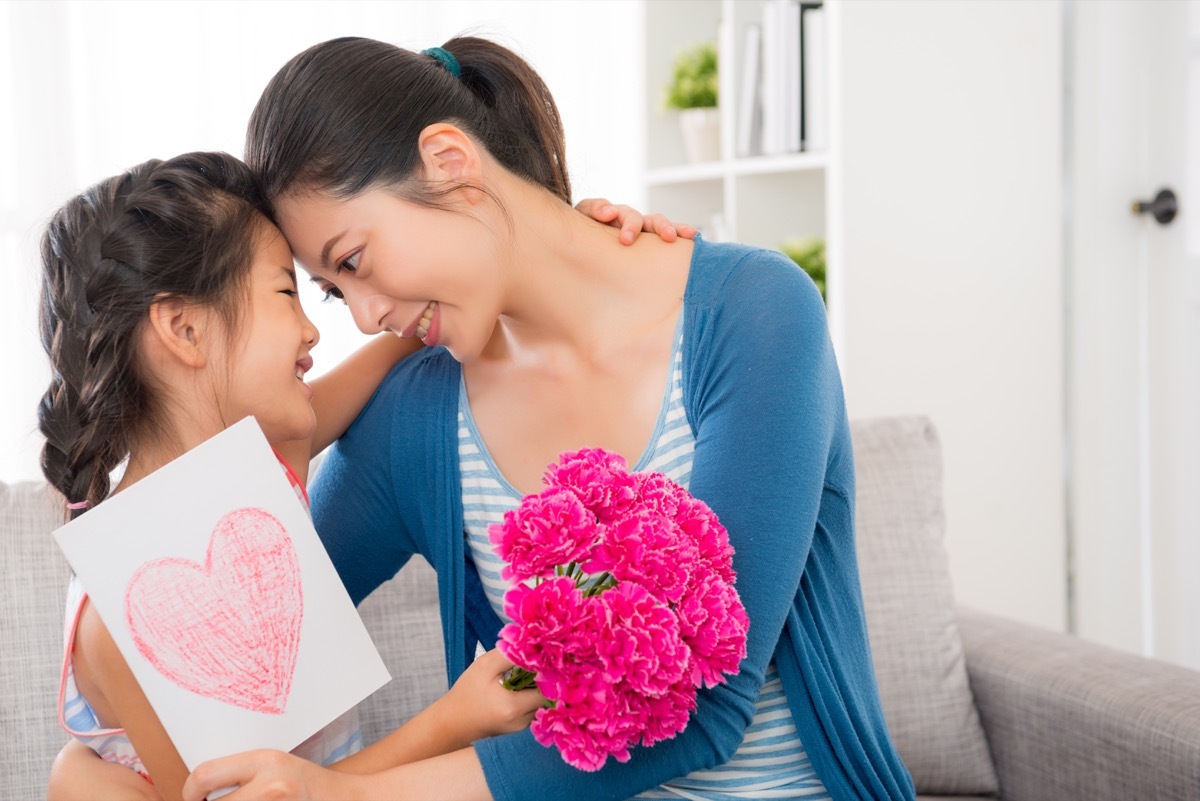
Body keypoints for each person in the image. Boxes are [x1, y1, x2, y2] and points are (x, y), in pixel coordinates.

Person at [178, 36, 916, 801]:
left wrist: (352, 793)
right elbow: (230, 635)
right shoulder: (418, 415)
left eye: (355, 261)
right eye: (332, 291)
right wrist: (89, 759)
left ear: (448, 161)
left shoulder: (755, 315)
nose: (364, 317)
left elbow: (704, 705)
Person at [38, 151, 675, 801]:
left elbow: (404, 342)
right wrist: (453, 720)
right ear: (183, 328)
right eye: (286, 291)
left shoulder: (274, 452)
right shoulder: (120, 612)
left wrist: (570, 254)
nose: (314, 326)